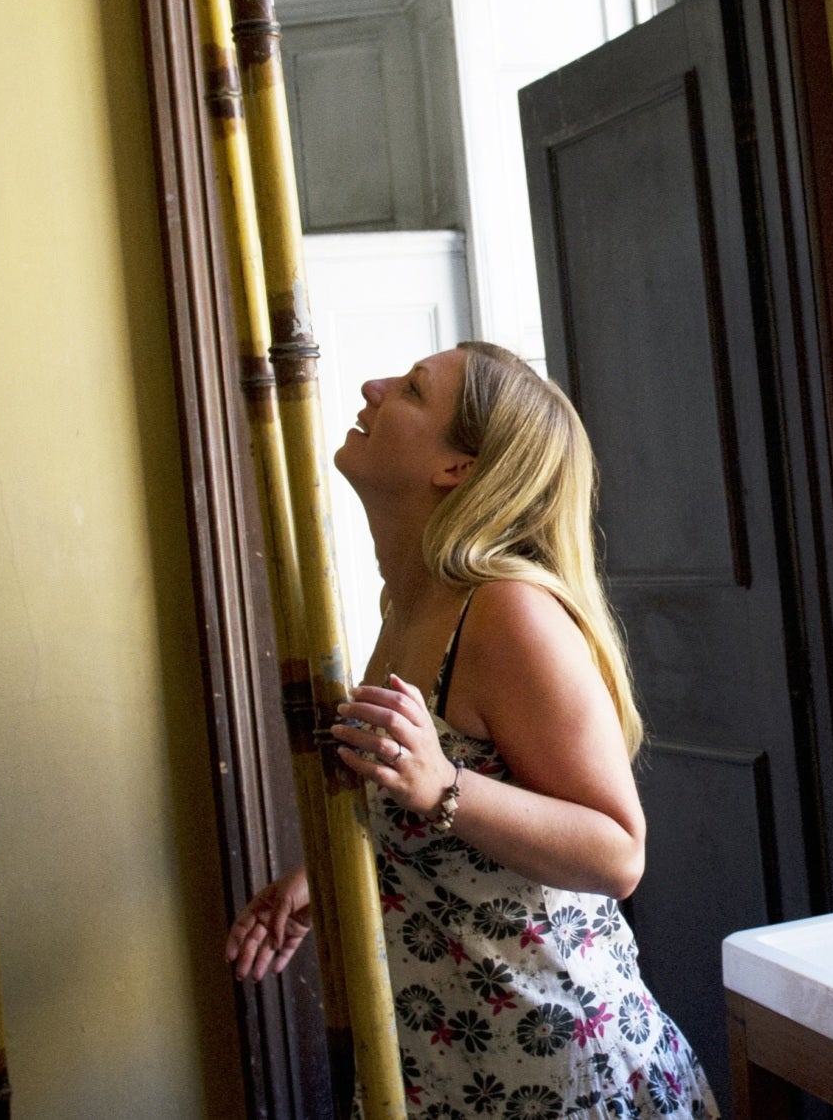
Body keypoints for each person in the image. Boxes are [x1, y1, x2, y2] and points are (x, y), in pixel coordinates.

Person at [228, 340, 719, 1120]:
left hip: (558, 1072)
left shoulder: (505, 612)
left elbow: (619, 851)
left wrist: (445, 785)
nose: (373, 385)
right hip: (448, 1067)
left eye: (413, 390)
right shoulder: (409, 605)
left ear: (457, 468)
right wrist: (322, 884)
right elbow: (444, 826)